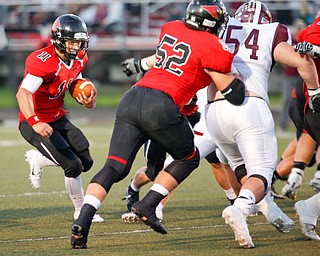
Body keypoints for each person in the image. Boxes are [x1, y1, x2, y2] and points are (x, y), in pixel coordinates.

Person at [71, 0, 246, 249]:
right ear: (211, 22)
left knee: (113, 167)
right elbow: (232, 91)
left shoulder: (171, 28)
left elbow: (173, 63)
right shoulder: (212, 44)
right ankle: (149, 204)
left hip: (132, 97)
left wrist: (141, 65)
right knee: (189, 158)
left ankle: (82, 221)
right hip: (161, 105)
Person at [205, 0, 320, 248]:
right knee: (263, 173)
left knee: (240, 167)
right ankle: (241, 208)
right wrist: (314, 92)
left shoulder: (221, 28)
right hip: (249, 105)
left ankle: (267, 212)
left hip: (213, 110)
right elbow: (301, 62)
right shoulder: (272, 31)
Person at [16, 14, 104, 223]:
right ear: (58, 40)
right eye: (72, 41)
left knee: (86, 161)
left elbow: (75, 81)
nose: (76, 46)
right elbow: (23, 93)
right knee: (73, 166)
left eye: (79, 42)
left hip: (57, 117)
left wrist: (86, 98)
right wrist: (35, 122)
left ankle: (39, 160)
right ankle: (80, 212)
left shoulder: (79, 58)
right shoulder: (44, 61)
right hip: (34, 122)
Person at [288, 14, 320, 240]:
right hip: (315, 100)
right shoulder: (314, 29)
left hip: (311, 103)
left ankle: (310, 207)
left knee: (307, 134)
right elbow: (304, 47)